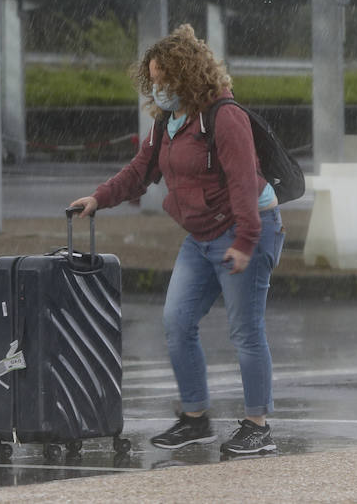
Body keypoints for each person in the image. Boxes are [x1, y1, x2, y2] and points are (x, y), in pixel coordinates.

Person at [68, 24, 285, 458]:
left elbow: (244, 183)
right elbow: (140, 171)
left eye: (165, 81)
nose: (158, 89)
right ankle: (195, 418)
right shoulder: (169, 120)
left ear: (186, 77)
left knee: (245, 331)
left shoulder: (226, 117)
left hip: (247, 229)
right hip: (202, 235)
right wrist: (99, 198)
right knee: (176, 321)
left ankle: (259, 427)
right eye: (154, 81)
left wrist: (244, 241)